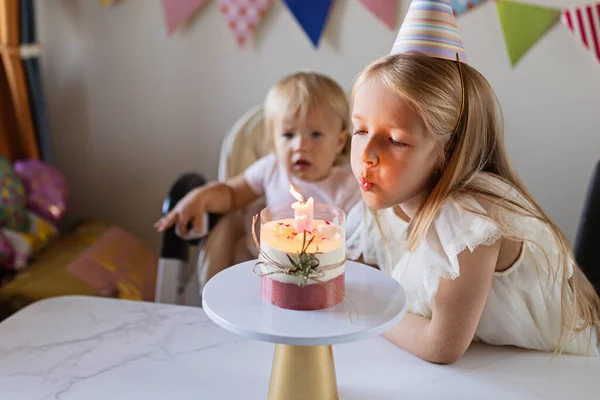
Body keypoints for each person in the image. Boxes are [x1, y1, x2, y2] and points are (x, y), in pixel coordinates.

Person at [346, 0, 600, 363]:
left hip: (558, 374)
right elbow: (360, 268)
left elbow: (440, 345)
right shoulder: (387, 197)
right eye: (360, 129)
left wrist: (368, 308)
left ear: (448, 150)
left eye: (396, 140)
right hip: (487, 367)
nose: (366, 154)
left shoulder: (470, 223)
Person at [155, 71, 362, 290]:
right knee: (234, 236)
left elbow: (357, 244)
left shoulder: (347, 188)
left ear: (340, 142)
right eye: (288, 135)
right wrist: (199, 198)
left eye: (316, 135)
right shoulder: (271, 168)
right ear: (273, 139)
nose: (300, 145)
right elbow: (232, 193)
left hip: (319, 280)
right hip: (260, 272)